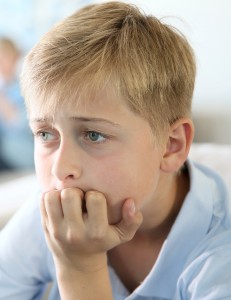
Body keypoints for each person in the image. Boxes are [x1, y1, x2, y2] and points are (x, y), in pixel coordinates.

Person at [1, 1, 231, 299]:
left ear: (171, 146)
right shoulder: (53, 214)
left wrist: (79, 269)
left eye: (93, 135)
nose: (60, 169)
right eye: (45, 133)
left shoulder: (219, 252)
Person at [0, 37, 34, 171]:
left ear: (15, 58)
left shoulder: (24, 89)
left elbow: (19, 124)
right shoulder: (5, 88)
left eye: (4, 58)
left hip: (20, 152)